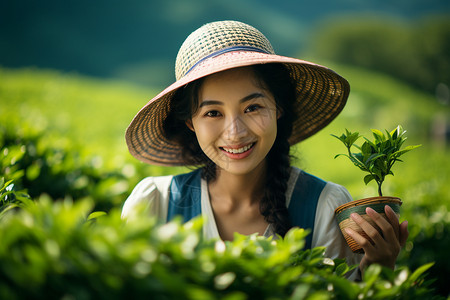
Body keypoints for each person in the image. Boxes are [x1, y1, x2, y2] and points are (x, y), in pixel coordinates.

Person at [121, 20, 408, 280]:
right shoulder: (156, 204)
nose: (235, 132)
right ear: (190, 123)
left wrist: (377, 269)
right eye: (212, 113)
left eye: (252, 107)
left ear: (278, 107)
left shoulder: (323, 206)